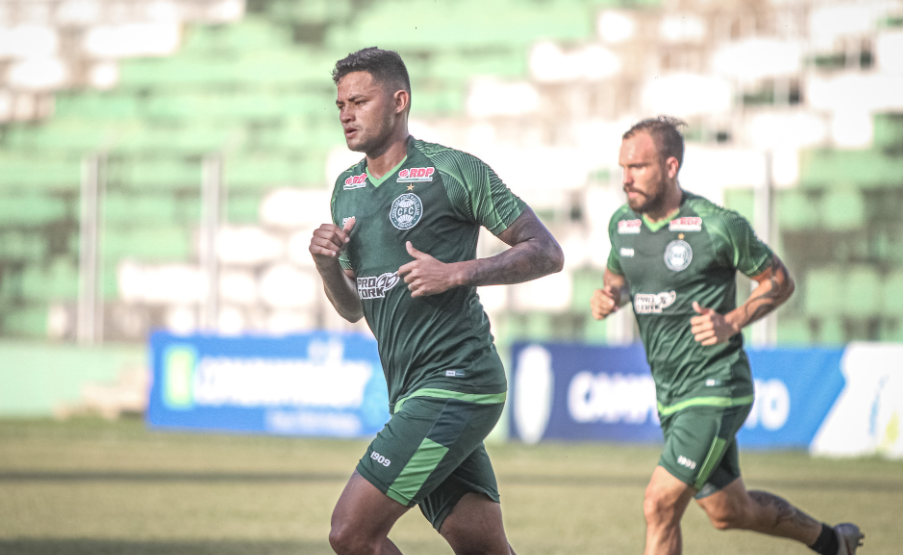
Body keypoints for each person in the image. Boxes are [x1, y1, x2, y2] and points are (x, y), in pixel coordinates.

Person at [310, 47, 564, 555]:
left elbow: (547, 251)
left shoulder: (453, 171)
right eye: (340, 104)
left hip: (457, 384)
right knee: (480, 544)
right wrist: (325, 266)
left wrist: (457, 273)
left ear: (399, 101)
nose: (346, 114)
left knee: (351, 533)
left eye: (359, 101)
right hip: (411, 392)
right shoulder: (347, 189)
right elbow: (353, 306)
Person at [590, 117, 865, 555]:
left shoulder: (716, 226)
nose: (626, 179)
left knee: (658, 505)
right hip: (671, 394)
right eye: (623, 168)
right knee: (728, 511)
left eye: (638, 167)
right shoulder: (622, 225)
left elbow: (779, 281)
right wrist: (611, 298)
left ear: (671, 166)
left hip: (717, 386)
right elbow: (618, 278)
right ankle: (834, 543)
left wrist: (731, 321)